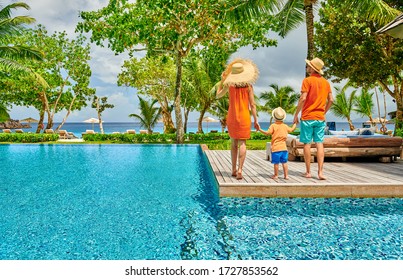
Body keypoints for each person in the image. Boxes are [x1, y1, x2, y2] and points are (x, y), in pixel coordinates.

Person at [216, 58, 260, 180]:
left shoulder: (229, 86)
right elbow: (253, 105)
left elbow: (218, 95)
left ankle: (233, 169)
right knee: (242, 143)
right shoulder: (249, 86)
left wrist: (222, 81)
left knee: (234, 143)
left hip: (232, 116)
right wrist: (256, 120)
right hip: (245, 117)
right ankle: (240, 169)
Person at [293, 57, 333, 180]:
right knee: (319, 143)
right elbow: (331, 100)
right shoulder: (326, 83)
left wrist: (296, 114)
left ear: (312, 68)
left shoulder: (307, 80)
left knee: (307, 143)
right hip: (320, 118)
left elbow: (303, 98)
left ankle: (308, 172)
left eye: (308, 66)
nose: (307, 67)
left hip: (307, 117)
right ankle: (320, 173)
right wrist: (323, 112)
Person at [259, 107, 296, 179]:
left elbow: (267, 133)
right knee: (284, 162)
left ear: (274, 118)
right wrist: (295, 123)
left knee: (276, 163)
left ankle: (276, 175)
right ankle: (286, 176)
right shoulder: (285, 126)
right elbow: (291, 129)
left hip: (276, 148)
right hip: (284, 148)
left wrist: (260, 129)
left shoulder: (273, 126)